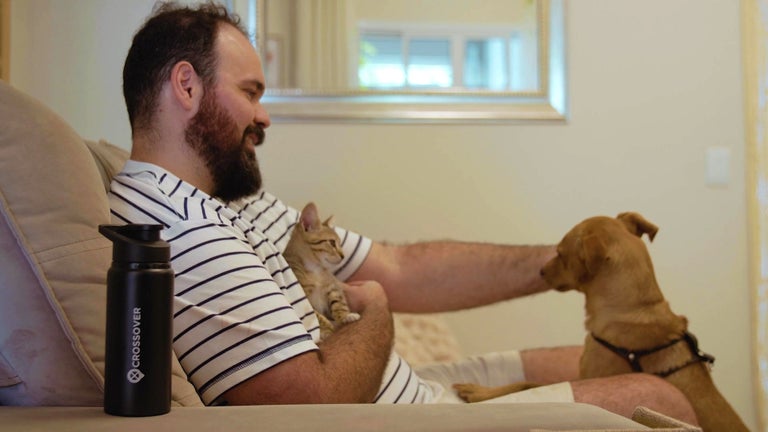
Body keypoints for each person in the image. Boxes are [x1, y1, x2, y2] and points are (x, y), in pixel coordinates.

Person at [109, 1, 698, 424]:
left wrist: (567, 263)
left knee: (597, 359)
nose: (264, 118)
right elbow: (307, 407)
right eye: (251, 92)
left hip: (408, 387)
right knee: (663, 398)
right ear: (186, 87)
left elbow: (397, 264)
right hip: (404, 416)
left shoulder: (229, 202)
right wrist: (377, 315)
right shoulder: (179, 228)